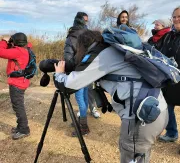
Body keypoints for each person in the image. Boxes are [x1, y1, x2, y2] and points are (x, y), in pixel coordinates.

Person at [53, 29, 168, 163]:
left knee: (131, 156)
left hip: (141, 119)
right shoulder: (114, 50)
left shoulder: (102, 56)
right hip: (157, 109)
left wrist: (59, 74)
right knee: (140, 156)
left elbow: (69, 84)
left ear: (83, 46)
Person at [63, 12, 100, 136]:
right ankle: (82, 120)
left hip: (78, 73)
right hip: (88, 72)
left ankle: (83, 128)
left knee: (80, 100)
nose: (86, 23)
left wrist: (66, 72)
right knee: (84, 97)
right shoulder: (90, 36)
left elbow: (68, 60)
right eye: (86, 21)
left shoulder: (72, 36)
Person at [0, 33, 31, 140]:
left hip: (17, 84)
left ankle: (24, 129)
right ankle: (20, 126)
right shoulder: (25, 49)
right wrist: (11, 42)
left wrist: (4, 41)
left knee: (18, 107)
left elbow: (1, 52)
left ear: (16, 42)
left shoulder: (18, 51)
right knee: (17, 106)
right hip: (21, 82)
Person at [157, 6, 180, 142]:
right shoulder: (168, 36)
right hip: (170, 78)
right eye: (174, 16)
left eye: (179, 16)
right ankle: (172, 133)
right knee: (167, 107)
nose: (176, 19)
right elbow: (161, 53)